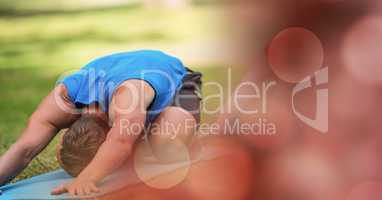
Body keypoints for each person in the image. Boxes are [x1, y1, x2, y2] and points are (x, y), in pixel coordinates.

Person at [0, 50, 202, 196]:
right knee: (77, 155)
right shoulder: (64, 99)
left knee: (165, 147)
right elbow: (24, 148)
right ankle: (130, 139)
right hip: (123, 74)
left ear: (110, 130)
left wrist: (87, 178)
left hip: (175, 79)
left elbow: (120, 143)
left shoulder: (125, 100)